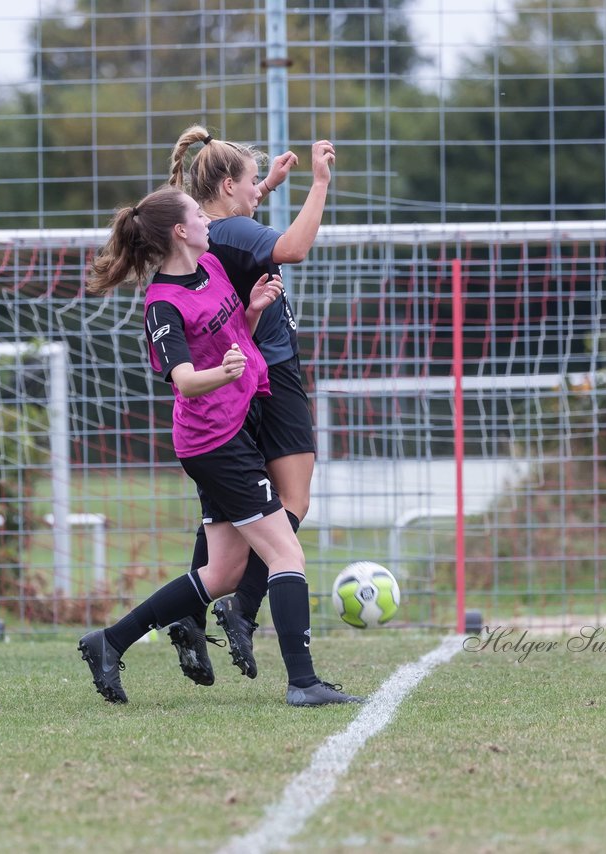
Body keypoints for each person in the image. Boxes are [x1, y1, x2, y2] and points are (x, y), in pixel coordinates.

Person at [77, 184, 360, 708]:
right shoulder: (162, 304)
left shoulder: (210, 269)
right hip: (214, 442)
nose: (210, 221)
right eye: (197, 216)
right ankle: (303, 682)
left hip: (237, 429)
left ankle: (109, 641)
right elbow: (184, 379)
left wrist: (250, 312)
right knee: (285, 551)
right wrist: (223, 372)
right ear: (180, 231)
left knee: (224, 572)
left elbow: (232, 337)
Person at [162, 126, 335, 684]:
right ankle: (242, 608)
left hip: (240, 382)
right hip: (269, 372)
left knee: (231, 512)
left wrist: (270, 184)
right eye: (251, 182)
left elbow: (241, 215)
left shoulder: (213, 229)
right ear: (227, 184)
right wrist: (320, 183)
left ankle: (192, 615)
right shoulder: (233, 230)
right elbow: (293, 248)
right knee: (290, 502)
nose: (258, 189)